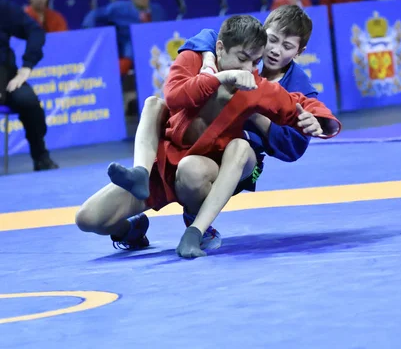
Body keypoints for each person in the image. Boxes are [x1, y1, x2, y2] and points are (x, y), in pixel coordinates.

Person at [75, 15, 341, 259]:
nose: (248, 68)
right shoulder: (196, 58)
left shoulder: (258, 86)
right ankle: (133, 223)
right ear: (221, 49)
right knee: (88, 218)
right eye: (243, 58)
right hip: (165, 162)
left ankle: (197, 225)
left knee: (201, 165)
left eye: (254, 62)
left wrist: (317, 120)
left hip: (207, 169)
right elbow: (175, 95)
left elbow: (296, 104)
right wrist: (219, 76)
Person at [0, 0, 59, 171]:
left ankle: (41, 156)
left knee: (28, 101)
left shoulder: (3, 9)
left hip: (5, 78)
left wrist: (27, 66)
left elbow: (35, 31)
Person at [82, 0, 167, 75]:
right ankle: (113, 75)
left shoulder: (158, 10)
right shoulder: (119, 8)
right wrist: (88, 32)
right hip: (129, 48)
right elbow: (94, 14)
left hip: (155, 48)